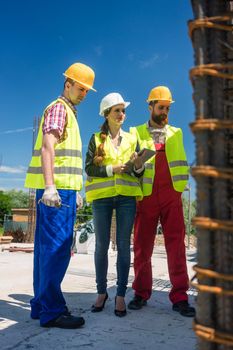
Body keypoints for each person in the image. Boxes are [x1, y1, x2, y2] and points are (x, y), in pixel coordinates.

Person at [24, 62, 96, 328]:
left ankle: (41, 304)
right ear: (68, 83)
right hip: (57, 191)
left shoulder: (67, 112)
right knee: (56, 250)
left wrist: (74, 190)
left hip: (64, 190)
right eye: (81, 88)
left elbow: (67, 158)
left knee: (45, 251)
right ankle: (52, 310)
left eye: (87, 90)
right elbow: (47, 147)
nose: (84, 93)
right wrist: (52, 186)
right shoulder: (59, 108)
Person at [128, 86, 196, 317]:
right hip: (146, 196)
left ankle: (180, 296)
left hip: (172, 195)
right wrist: (135, 164)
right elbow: (132, 168)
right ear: (150, 107)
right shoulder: (135, 132)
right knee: (142, 247)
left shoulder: (176, 132)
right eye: (161, 107)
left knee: (176, 247)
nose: (165, 111)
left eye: (167, 107)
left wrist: (178, 190)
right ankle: (140, 292)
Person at [85, 92, 144, 317]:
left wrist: (138, 165)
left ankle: (120, 294)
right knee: (101, 245)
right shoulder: (95, 138)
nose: (122, 114)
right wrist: (112, 169)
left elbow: (140, 171)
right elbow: (89, 168)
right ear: (107, 114)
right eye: (117, 110)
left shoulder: (131, 139)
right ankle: (102, 292)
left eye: (123, 110)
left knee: (122, 245)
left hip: (127, 197)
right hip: (102, 198)